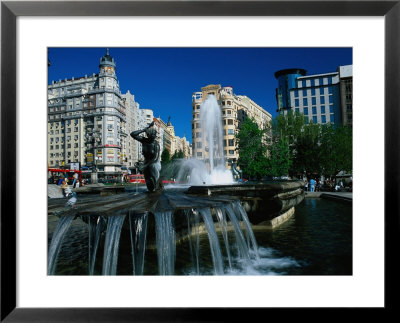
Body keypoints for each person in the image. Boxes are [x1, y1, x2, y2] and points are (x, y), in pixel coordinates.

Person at [130, 121, 161, 192]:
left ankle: (157, 185)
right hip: (146, 162)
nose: (153, 137)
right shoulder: (144, 140)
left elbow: (155, 158)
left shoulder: (156, 145)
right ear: (148, 135)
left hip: (155, 163)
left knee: (152, 168)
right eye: (152, 135)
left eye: (154, 135)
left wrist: (144, 166)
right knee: (148, 183)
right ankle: (152, 189)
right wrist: (144, 129)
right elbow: (132, 134)